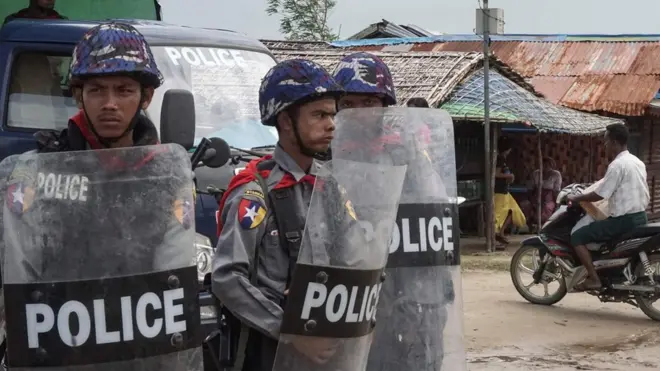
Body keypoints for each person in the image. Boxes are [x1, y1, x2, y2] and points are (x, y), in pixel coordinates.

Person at [1, 22, 198, 369]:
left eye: (123, 90)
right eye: (96, 90)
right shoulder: (36, 173)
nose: (110, 104)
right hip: (58, 350)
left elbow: (174, 280)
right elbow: (18, 274)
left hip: (140, 351)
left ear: (146, 97)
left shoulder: (167, 177)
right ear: (78, 96)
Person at [212, 59, 345, 371]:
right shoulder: (254, 193)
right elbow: (227, 277)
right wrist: (288, 330)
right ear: (286, 122)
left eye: (333, 114)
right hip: (271, 353)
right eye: (319, 115)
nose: (331, 124)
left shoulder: (330, 186)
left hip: (329, 347)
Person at [333, 52, 457, 370]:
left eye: (369, 102)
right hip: (355, 289)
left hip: (411, 285)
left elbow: (435, 204)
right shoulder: (328, 157)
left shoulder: (405, 152)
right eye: (349, 104)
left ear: (385, 105)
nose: (360, 113)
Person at [568, 123, 649, 290]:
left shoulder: (617, 165)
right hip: (641, 216)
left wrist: (578, 197)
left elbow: (600, 195)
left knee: (577, 236)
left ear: (614, 143)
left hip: (623, 220)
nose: (605, 146)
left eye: (606, 141)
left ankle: (593, 278)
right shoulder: (637, 161)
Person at [494, 136, 526, 247]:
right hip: (499, 191)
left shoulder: (503, 160)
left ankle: (500, 232)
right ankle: (495, 236)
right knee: (498, 215)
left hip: (505, 191)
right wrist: (509, 175)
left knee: (514, 211)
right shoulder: (499, 159)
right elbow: (495, 174)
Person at [519, 157, 562, 227]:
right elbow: (530, 189)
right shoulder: (536, 173)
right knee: (525, 206)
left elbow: (556, 191)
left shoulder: (556, 174)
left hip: (549, 199)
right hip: (535, 198)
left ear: (551, 165)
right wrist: (532, 200)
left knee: (545, 209)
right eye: (543, 165)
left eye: (547, 165)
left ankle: (543, 225)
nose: (545, 167)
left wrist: (557, 204)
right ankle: (529, 225)